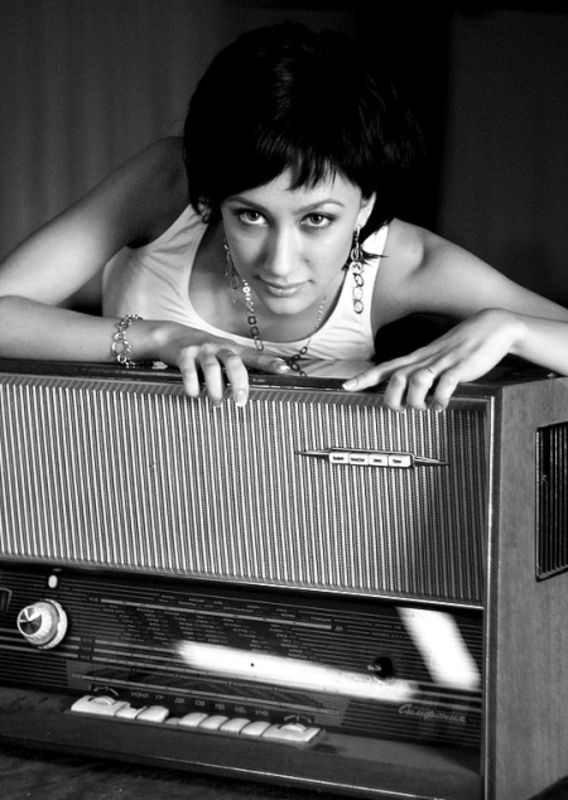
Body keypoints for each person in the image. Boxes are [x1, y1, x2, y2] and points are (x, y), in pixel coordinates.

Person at [1, 22, 568, 412]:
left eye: (316, 220)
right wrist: (160, 337)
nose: (279, 262)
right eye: (250, 215)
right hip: (113, 491)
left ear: (365, 203)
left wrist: (511, 328)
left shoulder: (405, 262)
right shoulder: (169, 184)